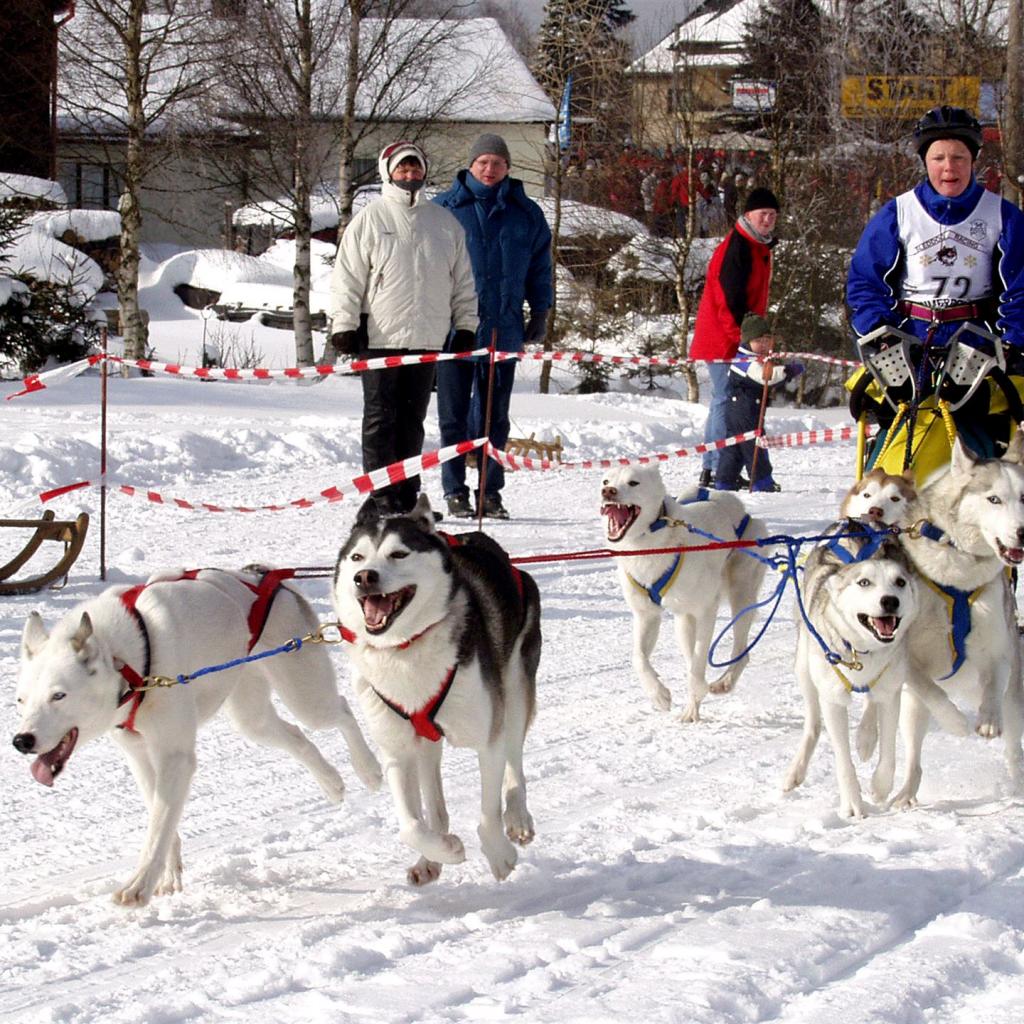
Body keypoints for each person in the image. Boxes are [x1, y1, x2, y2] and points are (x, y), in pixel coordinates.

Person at [328, 141, 478, 515]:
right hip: (379, 336)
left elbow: (462, 281)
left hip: (426, 337)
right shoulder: (370, 219)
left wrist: (465, 326)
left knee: (412, 420)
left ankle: (407, 494)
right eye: (402, 169)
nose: (409, 175)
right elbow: (347, 277)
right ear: (388, 172)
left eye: (415, 168)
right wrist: (344, 323)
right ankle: (381, 496)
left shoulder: (444, 224)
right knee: (380, 418)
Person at [432, 133, 553, 519]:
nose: (490, 170)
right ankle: (454, 490)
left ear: (508, 168)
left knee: (493, 419)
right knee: (452, 418)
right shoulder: (442, 209)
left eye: (497, 163)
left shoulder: (527, 213)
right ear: (470, 165)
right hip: (453, 330)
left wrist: (540, 311)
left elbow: (540, 267)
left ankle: (490, 491)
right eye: (483, 162)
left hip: (504, 327)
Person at [847, 105, 1024, 360]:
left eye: (959, 158)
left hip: (978, 342)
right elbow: (865, 281)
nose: (949, 168)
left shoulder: (1003, 216)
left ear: (973, 160)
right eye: (938, 158)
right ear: (925, 162)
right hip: (910, 340)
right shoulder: (897, 213)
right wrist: (879, 332)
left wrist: (1014, 341)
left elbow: (1020, 286)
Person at [690, 186, 781, 487]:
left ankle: (722, 467)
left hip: (738, 336)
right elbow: (728, 300)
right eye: (762, 214)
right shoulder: (738, 247)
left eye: (772, 215)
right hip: (723, 337)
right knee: (725, 400)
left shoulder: (759, 246)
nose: (767, 220)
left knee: (732, 402)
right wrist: (744, 342)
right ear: (747, 215)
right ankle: (715, 467)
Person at [715, 313, 803, 492]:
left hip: (741, 410)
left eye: (767, 340)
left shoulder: (753, 358)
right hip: (744, 410)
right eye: (758, 341)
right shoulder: (744, 361)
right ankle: (762, 482)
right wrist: (789, 370)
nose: (763, 345)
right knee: (755, 446)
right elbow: (766, 378)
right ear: (748, 341)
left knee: (734, 447)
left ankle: (725, 481)